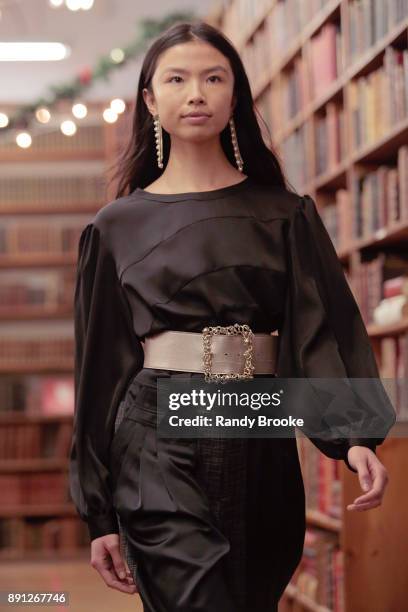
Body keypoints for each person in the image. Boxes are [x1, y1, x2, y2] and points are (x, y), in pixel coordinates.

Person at [69, 20, 396, 612]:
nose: (196, 92)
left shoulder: (285, 213)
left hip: (258, 429)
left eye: (213, 77)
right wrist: (97, 512)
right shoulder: (115, 227)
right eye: (177, 78)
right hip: (156, 436)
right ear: (151, 100)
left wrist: (353, 438)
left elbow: (319, 327)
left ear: (235, 95)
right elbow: (100, 372)